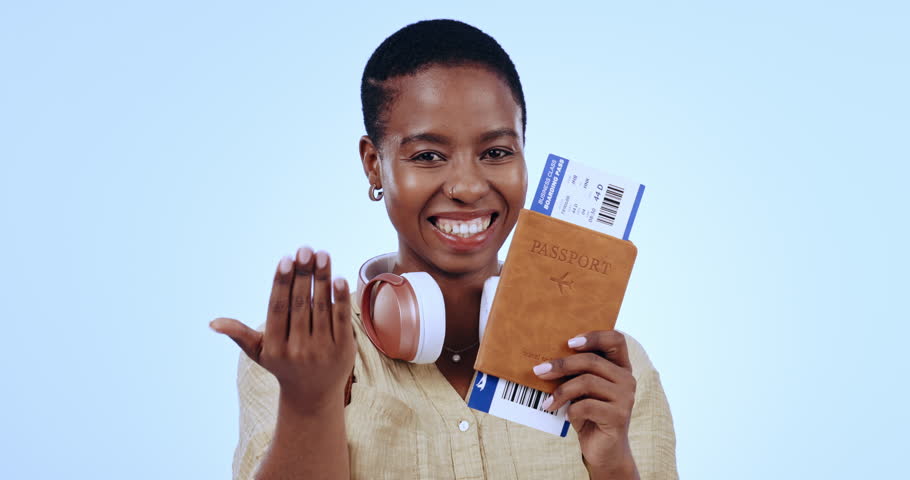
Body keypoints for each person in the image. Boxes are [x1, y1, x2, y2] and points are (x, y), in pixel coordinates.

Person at [210, 19, 678, 480]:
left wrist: (613, 463)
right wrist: (308, 406)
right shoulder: (297, 354)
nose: (469, 187)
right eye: (427, 156)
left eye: (496, 152)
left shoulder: (611, 370)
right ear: (374, 166)